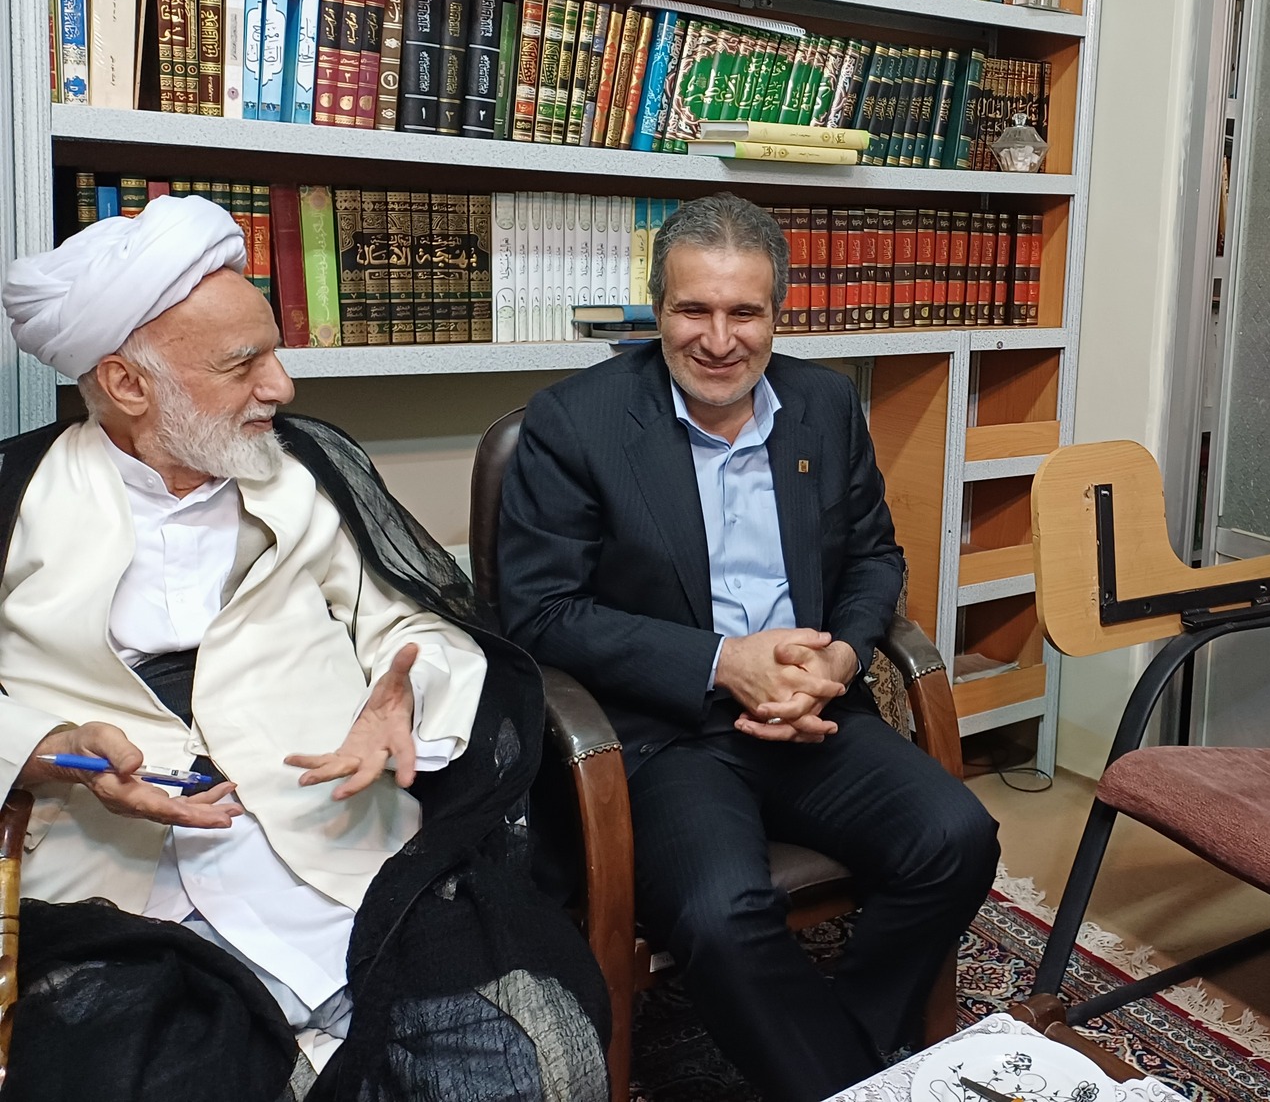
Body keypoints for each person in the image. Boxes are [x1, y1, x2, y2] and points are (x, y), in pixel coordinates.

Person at [0, 194, 607, 1102]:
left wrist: (402, 696)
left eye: (274, 352)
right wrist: (47, 750)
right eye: (244, 364)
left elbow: (416, 626)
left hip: (339, 857)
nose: (281, 386)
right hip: (117, 896)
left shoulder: (308, 468)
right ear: (127, 384)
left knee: (540, 1060)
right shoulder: (15, 496)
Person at [498, 192, 1000, 1102]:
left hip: (816, 711)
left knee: (957, 838)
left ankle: (835, 1054)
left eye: (746, 312)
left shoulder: (824, 405)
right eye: (694, 309)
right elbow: (540, 613)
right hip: (666, 735)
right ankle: (854, 1083)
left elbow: (874, 558)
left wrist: (840, 659)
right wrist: (723, 662)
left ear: (778, 313)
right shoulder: (575, 423)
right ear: (658, 308)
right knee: (722, 913)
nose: (720, 340)